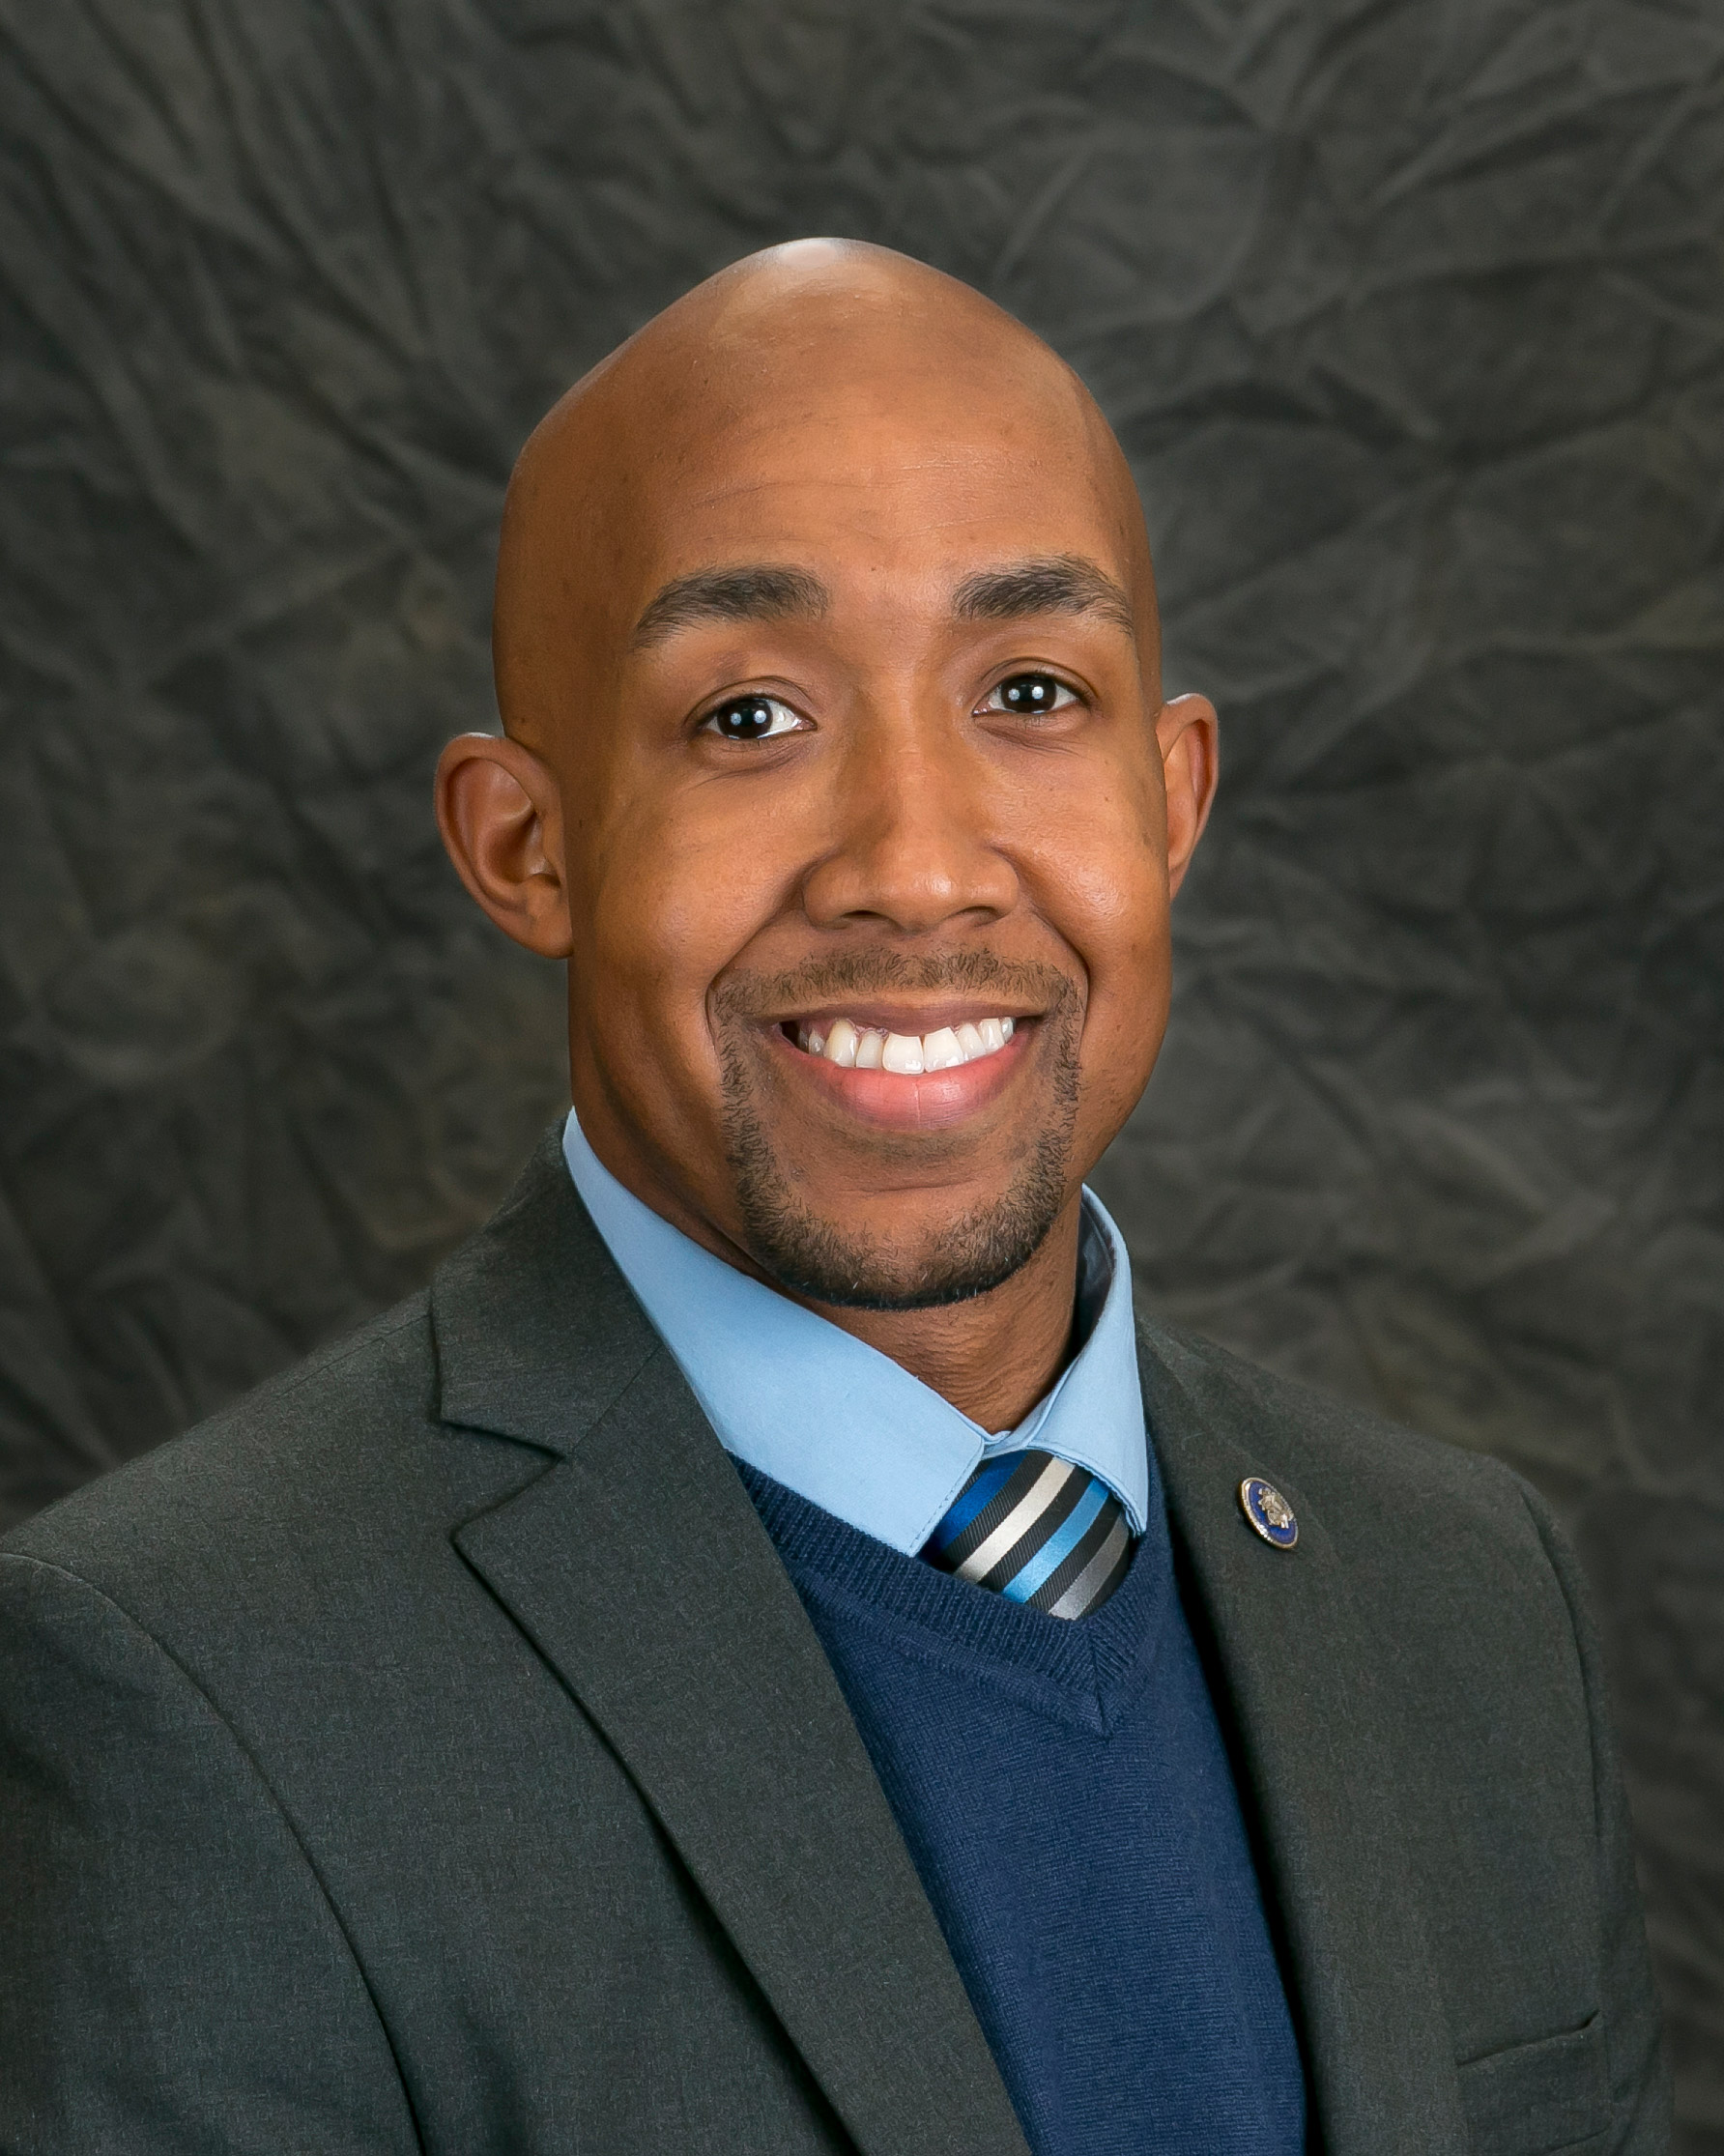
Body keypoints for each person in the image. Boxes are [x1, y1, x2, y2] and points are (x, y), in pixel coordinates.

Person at [0, 240, 1667, 2156]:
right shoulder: (185, 1695)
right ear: (523, 846)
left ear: (1172, 795)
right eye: (748, 720)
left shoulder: (1471, 1600)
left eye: (1031, 689)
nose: (915, 868)